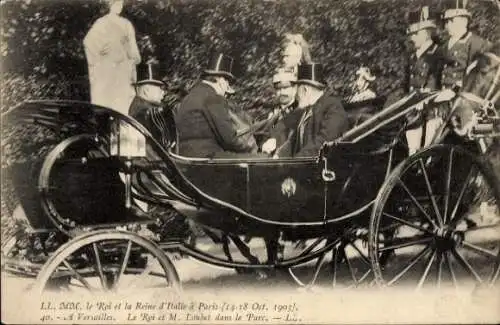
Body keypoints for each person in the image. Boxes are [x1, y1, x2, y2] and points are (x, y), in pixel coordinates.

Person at [175, 53, 256, 158]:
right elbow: (229, 139)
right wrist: (250, 149)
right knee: (262, 159)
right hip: (208, 156)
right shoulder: (213, 97)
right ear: (221, 80)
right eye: (228, 81)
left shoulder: (189, 97)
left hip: (186, 156)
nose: (227, 86)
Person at [83, 0, 141, 115]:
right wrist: (99, 57)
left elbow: (133, 52)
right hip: (107, 71)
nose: (119, 7)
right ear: (110, 5)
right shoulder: (102, 23)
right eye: (117, 4)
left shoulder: (125, 24)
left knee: (122, 108)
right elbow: (88, 43)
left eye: (121, 4)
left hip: (121, 70)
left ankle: (119, 130)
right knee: (109, 106)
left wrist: (133, 58)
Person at [402, 5, 444, 154]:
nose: (412, 38)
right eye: (411, 34)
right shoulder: (412, 57)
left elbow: (442, 83)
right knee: (412, 154)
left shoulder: (439, 53)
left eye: (415, 33)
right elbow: (406, 87)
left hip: (432, 114)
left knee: (428, 155)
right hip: (413, 115)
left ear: (426, 33)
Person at [285, 63, 349, 158]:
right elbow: (292, 142)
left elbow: (323, 141)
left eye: (297, 91)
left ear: (305, 90)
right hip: (303, 166)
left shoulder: (333, 107)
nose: (296, 96)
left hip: (321, 168)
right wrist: (279, 156)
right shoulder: (306, 110)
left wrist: (296, 161)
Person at [439, 0, 492, 92]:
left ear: (464, 21)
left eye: (451, 21)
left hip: (461, 94)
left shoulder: (476, 43)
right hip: (441, 93)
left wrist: (455, 90)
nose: (447, 26)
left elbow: (476, 76)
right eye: (446, 22)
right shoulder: (445, 44)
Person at [129, 61, 176, 150]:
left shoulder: (134, 107)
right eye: (160, 88)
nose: (163, 92)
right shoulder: (154, 111)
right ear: (146, 90)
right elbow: (167, 145)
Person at [260, 69, 300, 155]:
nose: (282, 92)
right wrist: (263, 145)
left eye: (285, 88)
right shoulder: (272, 112)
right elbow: (263, 135)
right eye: (278, 89)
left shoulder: (300, 111)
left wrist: (276, 142)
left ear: (295, 88)